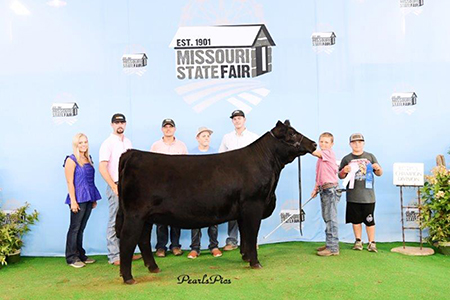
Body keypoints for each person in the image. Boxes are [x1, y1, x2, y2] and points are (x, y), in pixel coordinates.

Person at [99, 113, 141, 265]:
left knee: (127, 219)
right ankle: (114, 255)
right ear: (112, 125)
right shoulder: (108, 143)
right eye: (116, 123)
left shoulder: (128, 142)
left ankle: (125, 252)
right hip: (116, 184)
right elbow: (102, 167)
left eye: (122, 122)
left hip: (128, 186)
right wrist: (113, 186)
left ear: (125, 124)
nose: (119, 125)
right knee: (114, 219)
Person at [219, 110, 259, 251]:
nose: (237, 121)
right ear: (232, 121)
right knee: (232, 208)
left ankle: (251, 241)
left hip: (249, 178)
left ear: (245, 120)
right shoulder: (227, 137)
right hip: (231, 178)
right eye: (235, 119)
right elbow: (220, 157)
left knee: (250, 209)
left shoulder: (253, 137)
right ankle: (232, 240)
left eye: (239, 118)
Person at [339, 133, 383, 253]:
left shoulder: (370, 156)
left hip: (368, 196)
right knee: (356, 220)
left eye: (359, 142)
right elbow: (340, 175)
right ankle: (358, 240)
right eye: (354, 142)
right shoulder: (347, 159)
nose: (357, 144)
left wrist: (377, 168)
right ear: (350, 144)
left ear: (363, 143)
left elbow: (379, 173)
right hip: (353, 196)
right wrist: (344, 170)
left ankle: (371, 242)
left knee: (369, 220)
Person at [150, 118, 188, 257]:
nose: (168, 129)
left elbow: (185, 167)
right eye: (165, 127)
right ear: (162, 129)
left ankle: (176, 245)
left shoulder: (181, 146)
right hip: (160, 186)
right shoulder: (156, 146)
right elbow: (152, 167)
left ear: (174, 129)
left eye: (170, 127)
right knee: (160, 216)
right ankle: (161, 246)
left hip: (177, 186)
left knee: (177, 215)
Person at [64, 133, 101, 268]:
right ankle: (71, 257)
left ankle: (80, 254)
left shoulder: (88, 159)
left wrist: (93, 198)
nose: (83, 145)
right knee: (74, 228)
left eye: (85, 142)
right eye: (80, 143)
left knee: (81, 227)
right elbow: (69, 182)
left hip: (89, 197)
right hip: (78, 198)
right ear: (75, 144)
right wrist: (73, 200)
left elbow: (90, 180)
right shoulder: (71, 160)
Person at [187, 127, 223, 259]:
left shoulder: (216, 153)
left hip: (213, 191)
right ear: (198, 138)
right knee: (195, 220)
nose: (206, 138)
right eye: (203, 136)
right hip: (196, 192)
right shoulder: (191, 154)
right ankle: (195, 248)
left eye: (208, 136)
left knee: (213, 220)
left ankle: (214, 246)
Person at [310, 132, 341, 256]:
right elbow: (319, 176)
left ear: (332, 144)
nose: (323, 144)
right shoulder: (321, 158)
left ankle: (333, 248)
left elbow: (316, 152)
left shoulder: (327, 153)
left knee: (331, 218)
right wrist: (315, 189)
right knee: (327, 217)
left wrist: (304, 147)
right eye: (321, 141)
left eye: (326, 142)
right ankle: (329, 243)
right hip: (324, 189)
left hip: (331, 190)